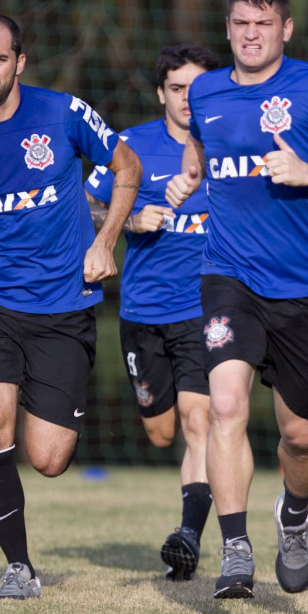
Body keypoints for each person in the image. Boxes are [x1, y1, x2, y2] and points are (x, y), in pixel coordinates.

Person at [165, 0, 308, 599]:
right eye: (241, 23)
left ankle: (293, 515)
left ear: (285, 29)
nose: (251, 34)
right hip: (228, 275)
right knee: (227, 405)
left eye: (264, 23)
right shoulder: (207, 91)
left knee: (299, 434)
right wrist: (188, 180)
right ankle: (235, 547)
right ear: (229, 28)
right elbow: (201, 153)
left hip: (306, 286)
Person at [0, 12, 141, 600]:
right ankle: (18, 567)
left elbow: (127, 167)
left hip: (63, 307)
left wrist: (105, 241)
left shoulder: (62, 113)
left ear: (19, 63)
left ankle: (52, 428)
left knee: (50, 457)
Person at [85, 44, 219, 581]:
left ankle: (188, 535)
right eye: (178, 88)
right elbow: (88, 203)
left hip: (205, 308)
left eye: (198, 87)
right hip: (143, 313)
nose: (189, 98)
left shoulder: (229, 142)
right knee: (163, 432)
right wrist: (132, 219)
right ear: (160, 93)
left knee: (199, 422)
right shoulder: (132, 146)